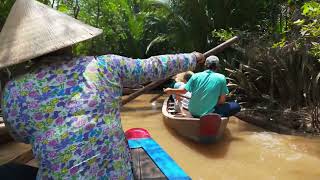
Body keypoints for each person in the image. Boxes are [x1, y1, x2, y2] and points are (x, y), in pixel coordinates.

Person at [0, 0, 205, 179]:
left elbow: (21, 136)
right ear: (71, 41)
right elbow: (153, 66)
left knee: (8, 171)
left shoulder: (14, 91)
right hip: (118, 175)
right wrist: (192, 58)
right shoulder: (105, 66)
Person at [164, 55, 240, 118]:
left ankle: (209, 114)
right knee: (236, 106)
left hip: (193, 111)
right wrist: (213, 105)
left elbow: (183, 91)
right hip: (208, 113)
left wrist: (170, 90)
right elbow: (222, 101)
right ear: (217, 66)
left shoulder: (195, 76)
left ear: (205, 65)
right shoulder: (221, 78)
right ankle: (217, 116)